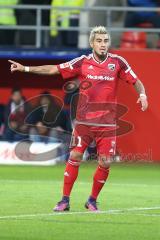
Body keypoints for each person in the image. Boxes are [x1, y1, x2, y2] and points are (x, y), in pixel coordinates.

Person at [8, 26, 148, 211]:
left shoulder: (118, 62)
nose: (103, 44)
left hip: (107, 123)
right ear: (91, 43)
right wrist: (24, 68)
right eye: (99, 41)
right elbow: (53, 69)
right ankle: (64, 200)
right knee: (75, 155)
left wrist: (143, 95)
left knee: (105, 161)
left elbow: (135, 80)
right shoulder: (82, 62)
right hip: (84, 123)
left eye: (105, 41)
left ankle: (92, 200)